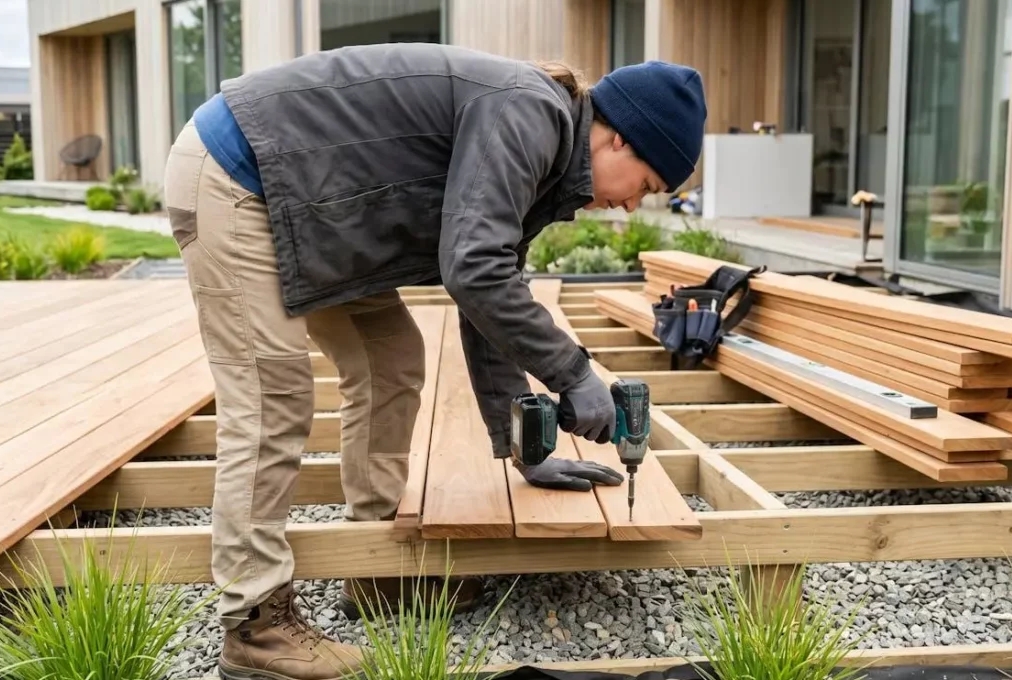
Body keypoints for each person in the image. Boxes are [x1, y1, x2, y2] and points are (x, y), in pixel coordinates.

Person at [163, 42, 706, 680]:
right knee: (272, 396)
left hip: (305, 198)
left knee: (391, 357)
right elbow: (473, 270)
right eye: (647, 185)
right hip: (240, 174)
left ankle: (376, 570)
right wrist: (576, 374)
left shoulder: (545, 151)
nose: (632, 205)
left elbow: (486, 296)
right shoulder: (529, 114)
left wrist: (526, 448)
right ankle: (256, 627)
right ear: (618, 140)